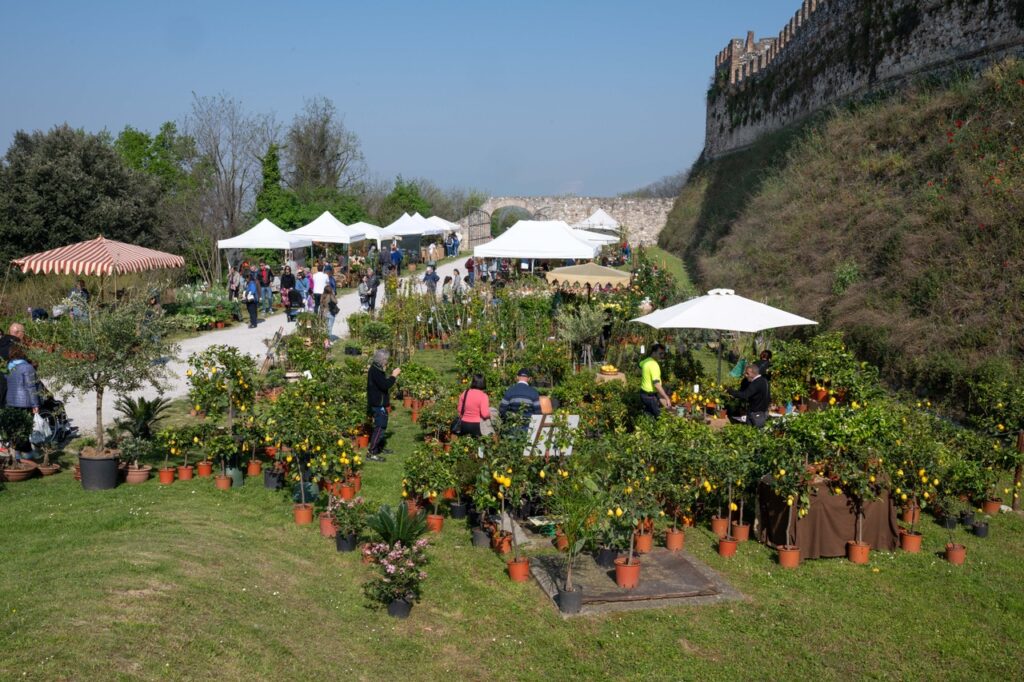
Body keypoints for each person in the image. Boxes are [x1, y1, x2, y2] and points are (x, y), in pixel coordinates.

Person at [6, 345, 40, 459]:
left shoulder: (9, 367)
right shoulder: (27, 367)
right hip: (24, 402)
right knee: (25, 428)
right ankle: (27, 453)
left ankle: (16, 454)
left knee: (16, 428)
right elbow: (31, 387)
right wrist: (35, 404)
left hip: (11, 401)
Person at [367, 349, 401, 460]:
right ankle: (371, 452)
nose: (387, 361)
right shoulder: (375, 371)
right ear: (382, 359)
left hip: (379, 402)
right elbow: (385, 385)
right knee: (380, 426)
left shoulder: (377, 368)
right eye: (386, 359)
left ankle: (378, 447)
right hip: (378, 403)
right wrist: (393, 376)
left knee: (383, 425)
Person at [727, 363, 771, 428]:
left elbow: (745, 395)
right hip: (763, 412)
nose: (745, 375)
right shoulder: (764, 380)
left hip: (755, 413)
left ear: (754, 373)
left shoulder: (756, 383)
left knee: (752, 432)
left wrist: (731, 391)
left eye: (747, 373)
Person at [639, 344, 672, 417]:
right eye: (660, 353)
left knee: (648, 416)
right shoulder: (654, 365)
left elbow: (640, 365)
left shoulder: (646, 361)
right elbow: (656, 384)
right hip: (650, 397)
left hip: (643, 394)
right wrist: (667, 398)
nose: (662, 356)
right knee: (660, 417)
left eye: (663, 353)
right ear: (654, 352)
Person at [455, 373, 492, 438]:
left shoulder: (465, 393)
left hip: (464, 424)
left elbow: (459, 410)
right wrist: (490, 414)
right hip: (477, 426)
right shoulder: (483, 396)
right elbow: (485, 414)